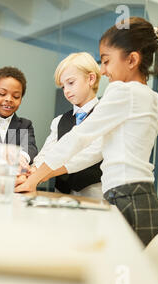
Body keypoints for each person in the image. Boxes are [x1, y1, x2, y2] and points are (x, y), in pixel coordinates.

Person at [16, 17, 158, 246]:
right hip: (143, 198)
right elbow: (91, 148)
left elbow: (80, 137)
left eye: (107, 61)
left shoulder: (123, 92)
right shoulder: (151, 98)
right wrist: (37, 173)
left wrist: (35, 178)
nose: (103, 70)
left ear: (132, 59)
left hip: (126, 198)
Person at [29, 52, 104, 199]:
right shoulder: (59, 121)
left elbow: (90, 154)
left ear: (91, 78)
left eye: (70, 83)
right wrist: (34, 170)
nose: (66, 91)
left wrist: (44, 173)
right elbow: (47, 152)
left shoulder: (104, 115)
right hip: (61, 197)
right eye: (63, 87)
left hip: (95, 197)